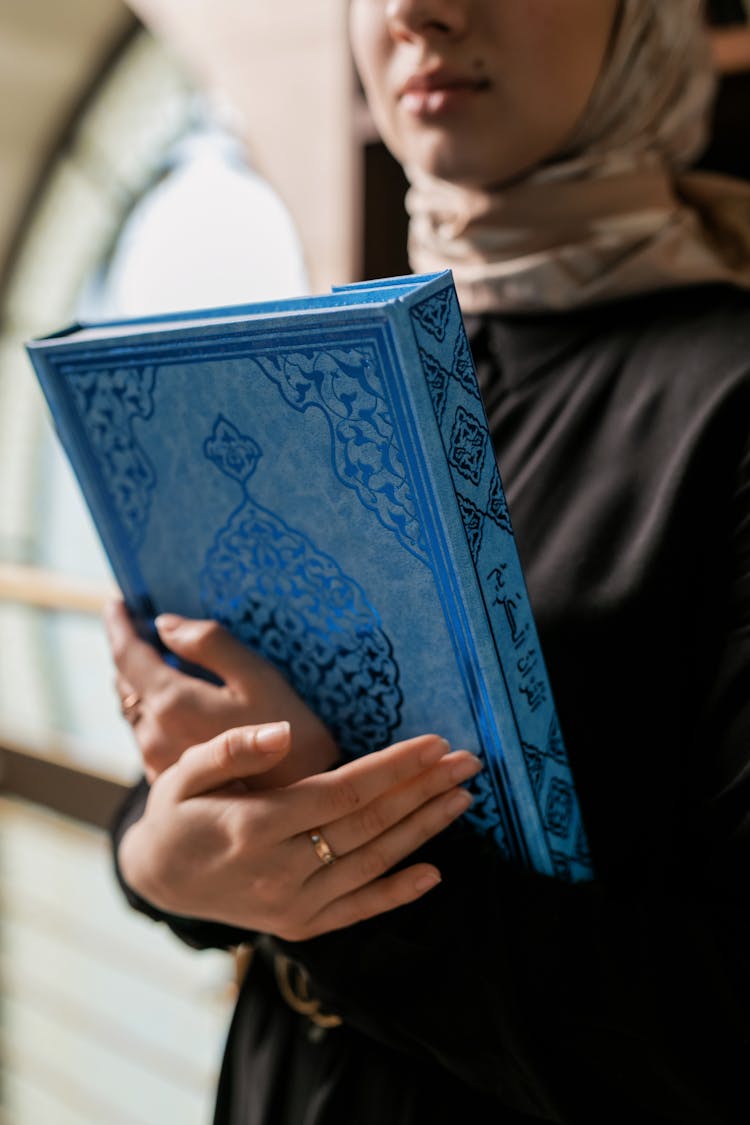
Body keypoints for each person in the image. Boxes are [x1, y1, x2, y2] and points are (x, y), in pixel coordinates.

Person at [104, 1, 750, 1122]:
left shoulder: (726, 403)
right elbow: (212, 774)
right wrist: (156, 857)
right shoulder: (333, 365)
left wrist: (329, 868)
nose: (417, 9)